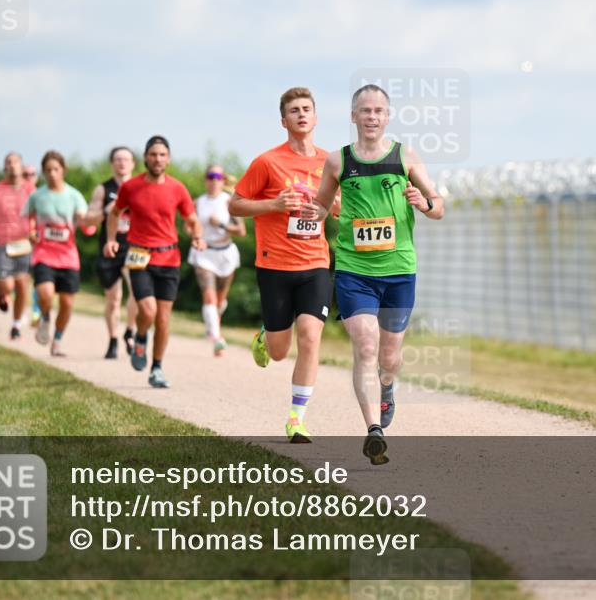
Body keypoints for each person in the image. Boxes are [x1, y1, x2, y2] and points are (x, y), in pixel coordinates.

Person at [308, 84, 444, 463]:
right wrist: (307, 215)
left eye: (378, 111)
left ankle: (387, 389)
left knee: (390, 357)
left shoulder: (405, 156)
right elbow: (322, 208)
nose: (371, 117)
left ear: (387, 117)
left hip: (399, 269)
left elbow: (439, 207)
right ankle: (373, 430)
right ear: (353, 116)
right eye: (364, 111)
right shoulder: (337, 161)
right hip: (354, 269)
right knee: (365, 344)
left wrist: (424, 201)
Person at [230, 88, 341, 443]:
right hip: (275, 265)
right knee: (279, 352)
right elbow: (235, 205)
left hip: (315, 263)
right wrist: (275, 205)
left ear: (316, 117)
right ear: (284, 121)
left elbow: (343, 207)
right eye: (294, 110)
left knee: (310, 336)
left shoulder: (331, 162)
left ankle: (297, 418)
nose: (302, 115)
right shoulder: (267, 162)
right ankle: (267, 335)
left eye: (307, 109)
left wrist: (331, 205)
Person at [104, 135, 205, 388]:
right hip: (139, 254)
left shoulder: (178, 188)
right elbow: (115, 213)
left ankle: (157, 368)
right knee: (147, 311)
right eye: (153, 154)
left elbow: (191, 219)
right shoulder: (131, 187)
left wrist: (197, 236)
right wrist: (110, 239)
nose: (157, 159)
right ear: (145, 158)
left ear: (168, 159)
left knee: (162, 319)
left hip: (169, 258)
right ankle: (140, 338)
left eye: (162, 155)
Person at [23, 151, 89, 357]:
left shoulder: (74, 196)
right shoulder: (37, 196)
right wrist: (31, 231)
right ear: (43, 172)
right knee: (45, 294)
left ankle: (58, 339)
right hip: (44, 254)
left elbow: (86, 224)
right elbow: (28, 218)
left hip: (68, 256)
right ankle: (44, 317)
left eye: (56, 169)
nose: (52, 174)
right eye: (48, 170)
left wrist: (86, 222)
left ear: (63, 171)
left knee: (67, 303)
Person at [85, 146, 139, 359]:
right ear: (112, 163)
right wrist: (106, 211)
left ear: (133, 163)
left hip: (134, 245)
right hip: (109, 246)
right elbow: (88, 219)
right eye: (118, 159)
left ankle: (130, 330)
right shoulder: (103, 189)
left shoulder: (139, 187)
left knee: (137, 291)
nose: (122, 163)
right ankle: (113, 339)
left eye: (126, 159)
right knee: (113, 298)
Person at [189, 164, 246, 356]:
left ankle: (213, 327)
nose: (214, 180)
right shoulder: (198, 203)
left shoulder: (229, 202)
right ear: (205, 179)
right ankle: (216, 338)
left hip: (226, 254)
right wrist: (195, 234)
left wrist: (220, 224)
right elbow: (187, 228)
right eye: (210, 176)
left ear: (223, 180)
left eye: (218, 177)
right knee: (209, 297)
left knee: (220, 301)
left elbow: (241, 231)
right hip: (204, 253)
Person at [0, 152, 34, 340]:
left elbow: (40, 214)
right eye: (8, 163)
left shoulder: (31, 190)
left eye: (15, 162)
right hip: (3, 244)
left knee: (22, 284)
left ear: (21, 166)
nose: (12, 166)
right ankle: (0, 291)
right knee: (7, 285)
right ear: (4, 168)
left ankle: (16, 325)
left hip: (25, 243)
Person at [22, 164, 44, 327]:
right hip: (18, 242)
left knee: (37, 279)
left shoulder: (41, 195)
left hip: (36, 243)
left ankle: (36, 311)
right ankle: (21, 309)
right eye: (25, 174)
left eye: (32, 174)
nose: (29, 176)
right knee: (20, 279)